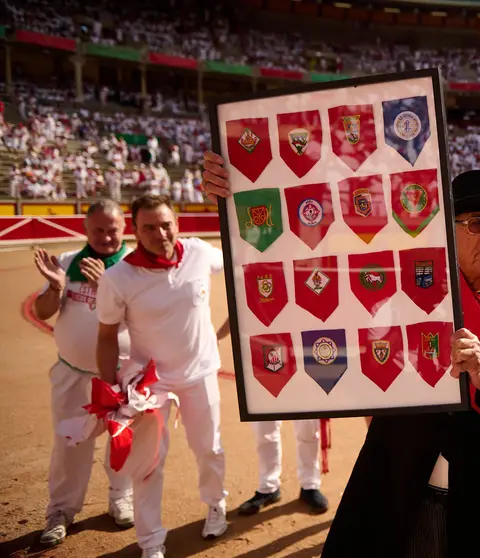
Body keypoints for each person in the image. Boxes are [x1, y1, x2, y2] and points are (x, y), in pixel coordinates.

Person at [200, 154, 480, 558]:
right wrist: (239, 197)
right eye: (478, 222)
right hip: (399, 490)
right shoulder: (406, 289)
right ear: (446, 232)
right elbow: (306, 260)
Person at [95, 194, 229, 558]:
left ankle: (217, 505)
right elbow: (107, 336)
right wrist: (109, 388)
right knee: (148, 462)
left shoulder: (201, 253)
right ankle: (151, 540)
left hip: (199, 371)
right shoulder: (118, 277)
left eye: (166, 224)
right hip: (148, 382)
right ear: (135, 230)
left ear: (178, 224)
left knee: (209, 450)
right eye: (149, 227)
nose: (160, 233)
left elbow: (240, 266)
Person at [33, 199, 134, 547]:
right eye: (98, 231)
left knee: (123, 442)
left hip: (124, 375)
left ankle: (121, 496)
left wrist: (109, 286)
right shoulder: (66, 262)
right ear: (85, 230)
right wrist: (57, 287)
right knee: (69, 444)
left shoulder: (135, 266)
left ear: (125, 230)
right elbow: (42, 311)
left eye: (113, 230)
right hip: (73, 375)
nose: (106, 237)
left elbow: (144, 318)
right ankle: (60, 511)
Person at [215, 319, 331, 516]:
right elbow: (241, 300)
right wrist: (218, 335)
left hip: (304, 350)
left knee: (308, 428)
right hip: (265, 350)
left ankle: (310, 484)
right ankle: (268, 486)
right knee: (265, 429)